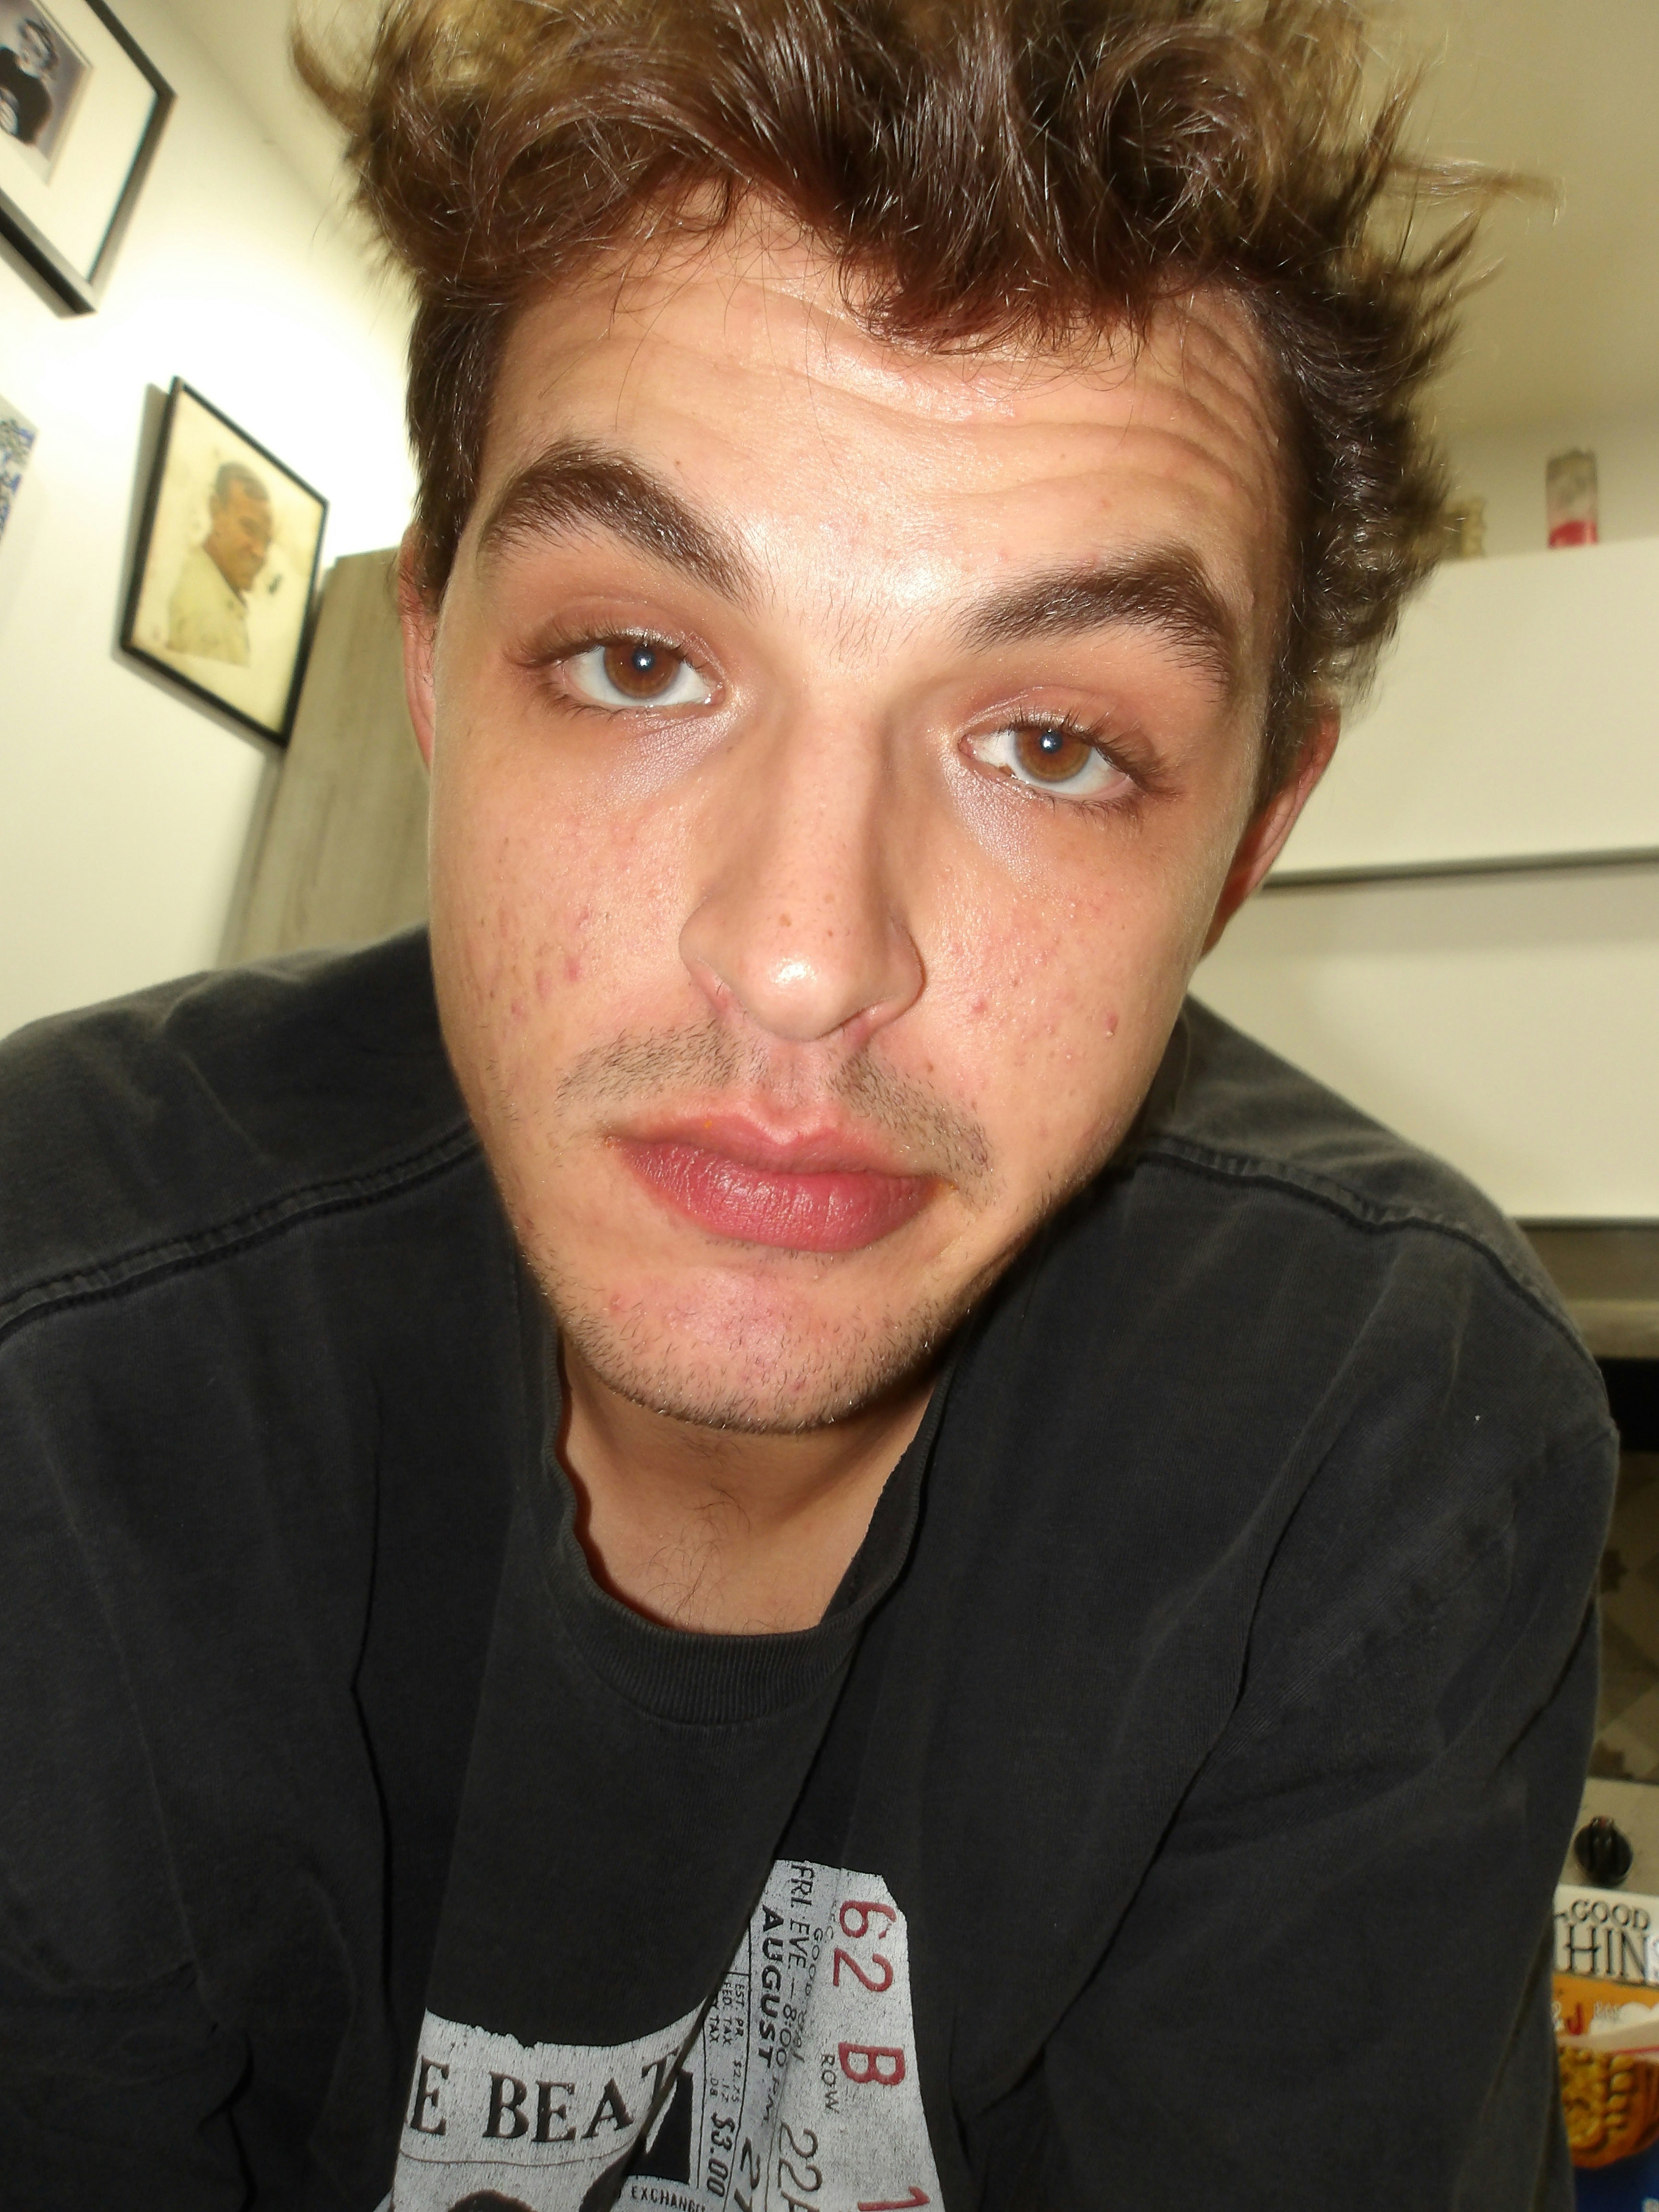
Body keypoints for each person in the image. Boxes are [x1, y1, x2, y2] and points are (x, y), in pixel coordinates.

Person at [0, 0, 1616, 2206]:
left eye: (1051, 744)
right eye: (638, 662)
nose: (797, 958)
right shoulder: (57, 1344)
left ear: (1244, 841)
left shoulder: (1380, 1426)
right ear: (432, 675)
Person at [167, 461, 275, 666]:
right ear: (216, 513)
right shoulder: (207, 614)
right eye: (249, 529)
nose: (260, 552)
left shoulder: (217, 591)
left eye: (266, 542)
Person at [0, 13, 57, 146]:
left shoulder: (42, 102)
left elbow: (27, 141)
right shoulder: (4, 56)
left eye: (37, 51)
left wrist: (14, 131)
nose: (27, 49)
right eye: (27, 38)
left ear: (46, 64)